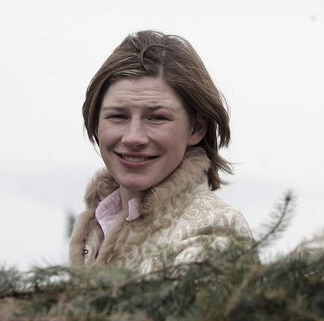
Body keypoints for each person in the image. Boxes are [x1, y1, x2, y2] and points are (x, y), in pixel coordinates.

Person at [70, 30, 254, 274]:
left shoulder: (215, 233)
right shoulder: (99, 228)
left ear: (196, 128)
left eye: (156, 117)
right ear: (95, 123)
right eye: (118, 116)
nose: (133, 137)